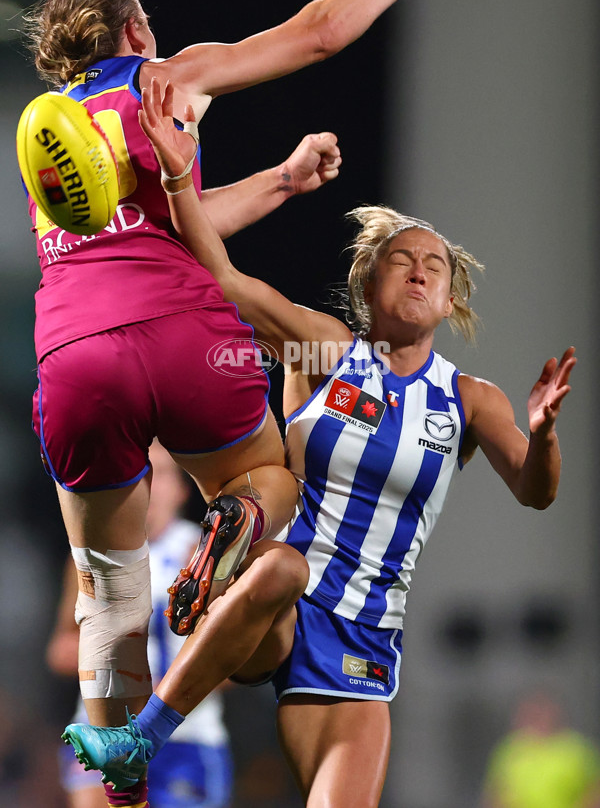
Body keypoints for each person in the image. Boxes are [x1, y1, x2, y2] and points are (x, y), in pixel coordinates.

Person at [62, 82, 576, 808]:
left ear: (451, 298)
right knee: (282, 568)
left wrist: (546, 433)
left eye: (436, 264)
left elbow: (537, 489)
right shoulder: (324, 350)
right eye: (403, 259)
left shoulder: (467, 399)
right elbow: (219, 276)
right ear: (368, 286)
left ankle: (220, 568)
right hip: (281, 608)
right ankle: (141, 738)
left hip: (364, 638)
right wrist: (179, 176)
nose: (422, 268)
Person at [20, 0, 445, 808]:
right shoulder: (162, 80)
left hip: (74, 355)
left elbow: (147, 224)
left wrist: (281, 183)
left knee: (109, 590)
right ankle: (240, 517)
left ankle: (117, 767)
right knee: (270, 478)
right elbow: (318, 32)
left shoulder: (53, 145)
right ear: (135, 28)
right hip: (183, 334)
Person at [48, 442, 234, 808]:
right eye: (136, 473)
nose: (147, 484)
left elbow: (234, 660)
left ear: (182, 490)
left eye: (160, 473)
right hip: (103, 733)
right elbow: (59, 650)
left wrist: (172, 688)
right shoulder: (89, 555)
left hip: (184, 739)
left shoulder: (203, 556)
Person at [480, 691, 600, 808]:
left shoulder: (577, 749)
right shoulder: (509, 749)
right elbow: (495, 793)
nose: (539, 716)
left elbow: (594, 791)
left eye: (543, 711)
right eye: (532, 712)